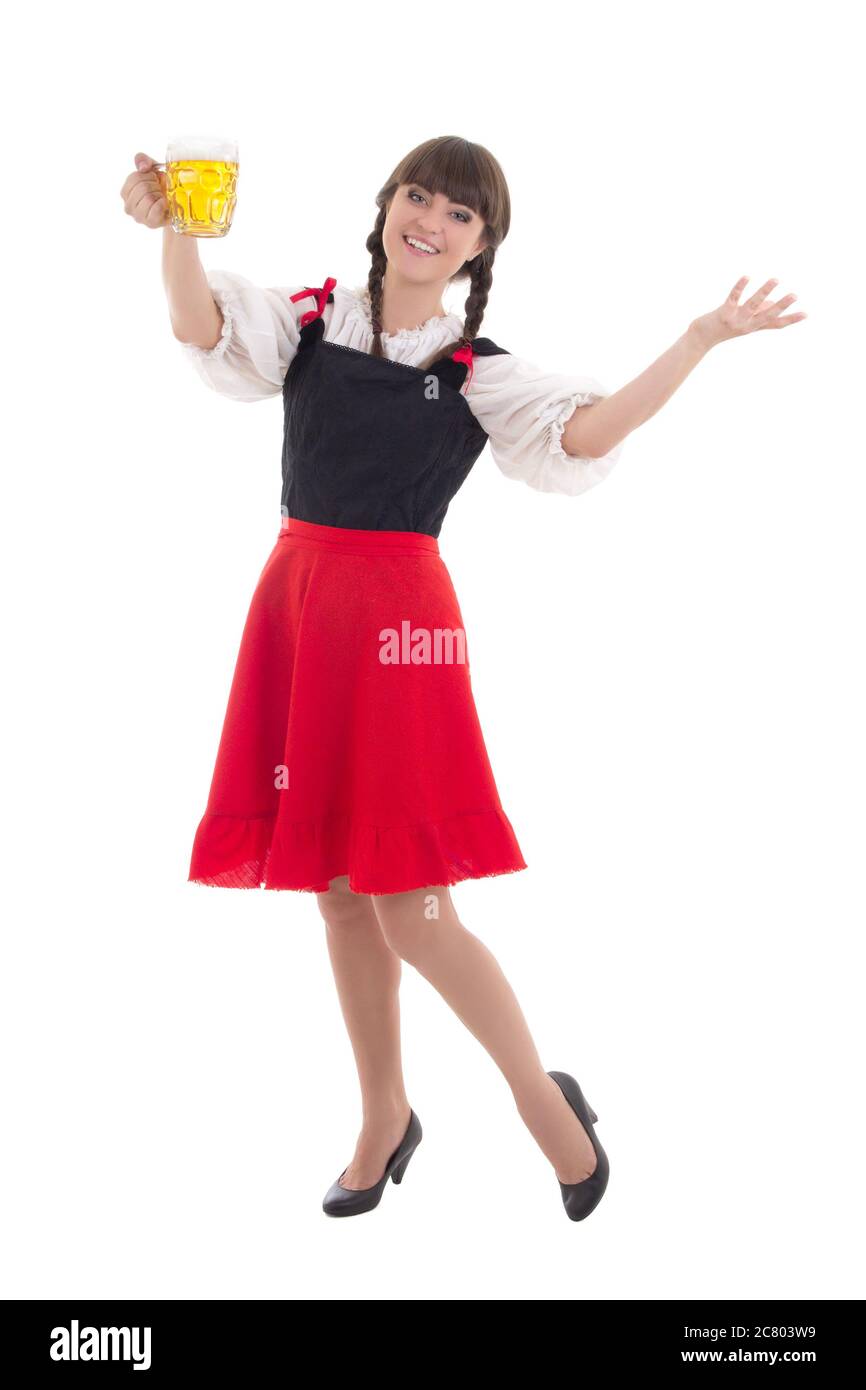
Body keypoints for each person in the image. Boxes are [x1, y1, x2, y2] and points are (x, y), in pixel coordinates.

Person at [121, 135, 806, 1222]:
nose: (429, 221)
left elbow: (580, 435)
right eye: (416, 196)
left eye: (459, 214)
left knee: (410, 900)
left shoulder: (473, 368)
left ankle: (543, 1104)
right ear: (386, 205)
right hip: (298, 603)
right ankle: (383, 1114)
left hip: (399, 634)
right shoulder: (310, 319)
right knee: (341, 897)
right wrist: (175, 234)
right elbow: (199, 325)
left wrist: (693, 341)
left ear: (481, 246)